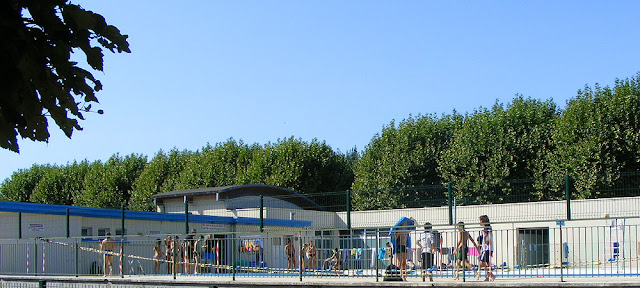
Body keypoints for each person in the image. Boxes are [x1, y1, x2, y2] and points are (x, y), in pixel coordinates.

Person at [390, 217, 415, 281]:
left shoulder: (405, 229)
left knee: (403, 262)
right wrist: (397, 233)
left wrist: (412, 224)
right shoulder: (399, 229)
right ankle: (398, 276)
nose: (406, 223)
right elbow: (395, 238)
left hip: (404, 246)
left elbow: (409, 230)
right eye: (405, 222)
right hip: (399, 246)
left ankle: (403, 276)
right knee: (399, 262)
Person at [478, 215, 495, 281]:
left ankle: (492, 275)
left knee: (481, 263)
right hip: (489, 248)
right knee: (488, 263)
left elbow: (485, 235)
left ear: (482, 221)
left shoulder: (485, 228)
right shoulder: (489, 227)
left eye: (479, 220)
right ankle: (488, 276)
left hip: (487, 248)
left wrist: (485, 241)